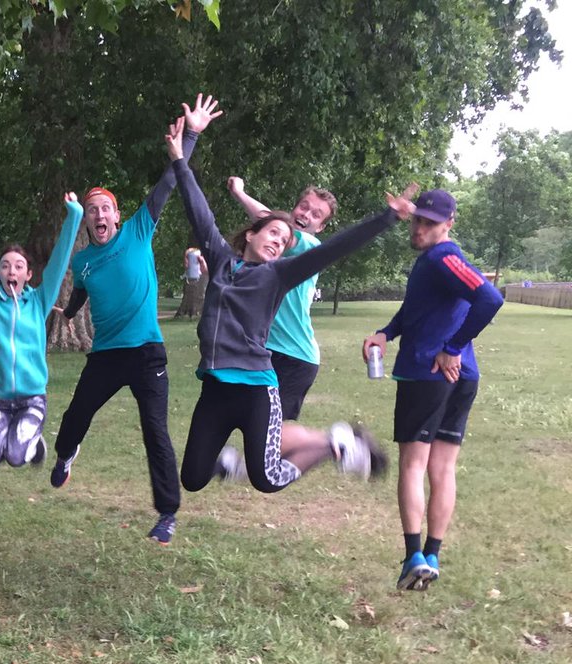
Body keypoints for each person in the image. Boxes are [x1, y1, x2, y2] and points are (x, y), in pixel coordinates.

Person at [164, 112, 414, 497]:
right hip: (215, 388)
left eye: (284, 241)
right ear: (251, 234)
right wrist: (180, 158)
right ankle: (237, 460)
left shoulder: (277, 276)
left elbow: (335, 248)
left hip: (255, 389)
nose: (279, 242)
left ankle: (332, 447)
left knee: (266, 478)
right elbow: (198, 210)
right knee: (193, 478)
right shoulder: (219, 260)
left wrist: (387, 218)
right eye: (273, 233)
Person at [50, 93, 222, 545]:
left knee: (154, 431)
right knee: (74, 418)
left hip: (146, 351)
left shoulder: (139, 229)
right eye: (92, 210)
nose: (100, 214)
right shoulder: (83, 261)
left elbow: (171, 179)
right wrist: (67, 313)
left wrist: (194, 135)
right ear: (86, 221)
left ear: (117, 214)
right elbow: (84, 291)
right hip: (106, 354)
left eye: (105, 208)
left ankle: (167, 513)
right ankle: (66, 455)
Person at [361, 189, 503, 591]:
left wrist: (451, 347)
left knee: (415, 466)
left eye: (430, 223)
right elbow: (416, 310)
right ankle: (432, 558)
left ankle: (413, 557)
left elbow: (489, 298)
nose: (421, 228)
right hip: (459, 378)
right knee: (441, 468)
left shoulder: (443, 257)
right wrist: (387, 333)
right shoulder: (431, 261)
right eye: (418, 219)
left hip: (429, 375)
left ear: (449, 225)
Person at [215, 178, 338, 481]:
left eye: (316, 215)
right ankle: (242, 464)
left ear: (320, 227)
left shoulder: (308, 245)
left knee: (274, 429)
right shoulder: (276, 255)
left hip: (293, 356)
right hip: (270, 352)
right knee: (257, 419)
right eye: (304, 206)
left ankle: (337, 443)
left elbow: (268, 221)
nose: (306, 214)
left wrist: (240, 193)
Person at [0, 181, 83, 469]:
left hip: (31, 398)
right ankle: (15, 438)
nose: (10, 270)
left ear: (28, 274)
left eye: (17, 266)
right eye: (4, 265)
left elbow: (61, 260)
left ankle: (32, 441)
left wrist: (74, 215)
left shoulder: (39, 301)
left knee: (15, 457)